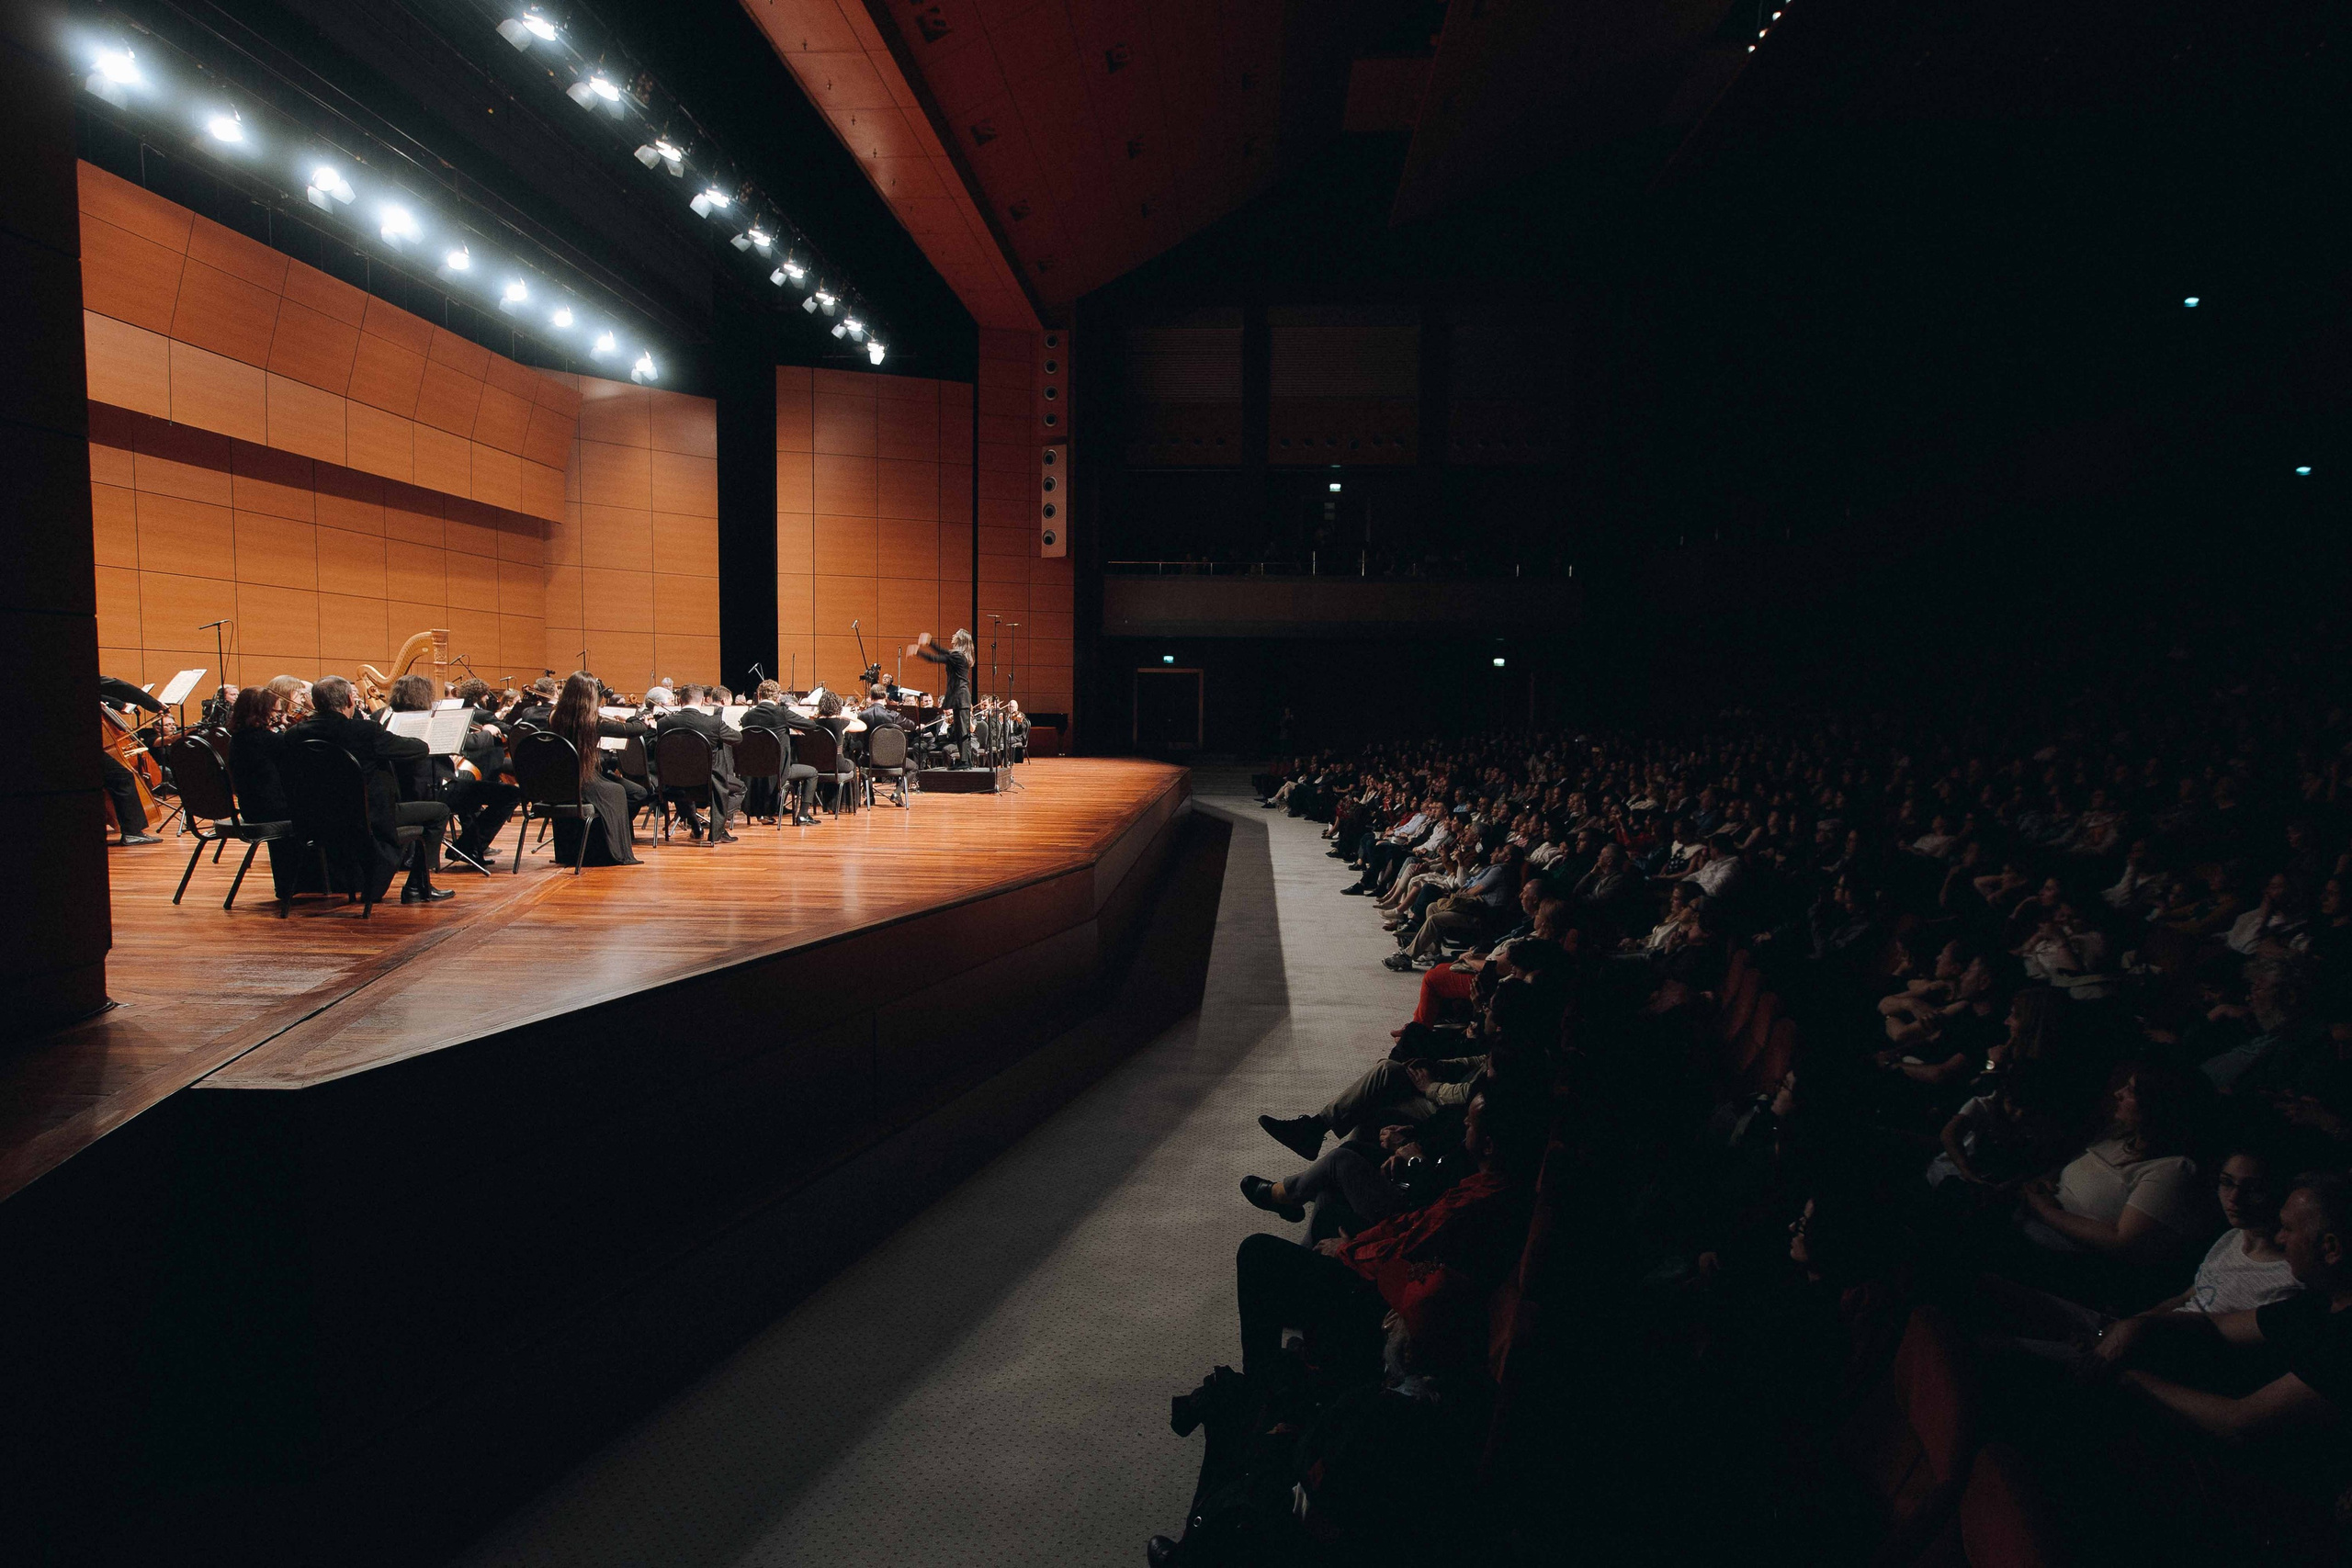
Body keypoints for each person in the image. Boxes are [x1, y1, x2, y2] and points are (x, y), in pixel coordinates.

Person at [1232, 1089, 1543, 1379]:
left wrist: (1346, 1250)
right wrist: (1359, 1241)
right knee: (1330, 1209)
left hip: (1381, 1292)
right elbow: (1412, 1225)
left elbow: (1406, 1250)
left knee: (1255, 1250)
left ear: (1488, 1144)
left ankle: (1258, 1381)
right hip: (1393, 1261)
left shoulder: (1479, 1202)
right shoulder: (1489, 1181)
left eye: (1471, 1123)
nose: (1464, 1122)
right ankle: (1306, 1328)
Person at [2092, 1171, 2352, 1447]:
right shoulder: (2319, 1302)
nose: (2279, 1238)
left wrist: (2129, 1378)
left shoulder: (2344, 1340)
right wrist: (2135, 1326)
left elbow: (2240, 1424)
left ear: (2331, 1248)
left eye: (2288, 1228)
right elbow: (2220, 1325)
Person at [293, 675, 452, 904]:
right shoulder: (363, 732)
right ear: (350, 699)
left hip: (316, 819)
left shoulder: (296, 734)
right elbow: (417, 749)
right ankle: (417, 886)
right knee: (439, 811)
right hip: (367, 817)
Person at [548, 672, 644, 865]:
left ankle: (602, 836)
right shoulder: (593, 722)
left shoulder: (555, 717)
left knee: (631, 792)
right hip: (585, 779)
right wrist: (634, 717)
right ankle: (607, 845)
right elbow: (637, 729)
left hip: (563, 780)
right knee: (619, 791)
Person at [654, 684, 744, 842]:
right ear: (703, 700)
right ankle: (717, 831)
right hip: (708, 783)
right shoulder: (712, 723)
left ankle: (696, 827)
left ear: (680, 700)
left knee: (684, 779)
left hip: (674, 783)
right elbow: (737, 738)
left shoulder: (663, 724)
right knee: (736, 782)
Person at [908, 629, 976, 764]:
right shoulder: (958, 655)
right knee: (960, 730)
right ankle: (965, 761)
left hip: (960, 697)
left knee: (962, 730)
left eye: (955, 634)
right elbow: (944, 652)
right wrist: (930, 643)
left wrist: (918, 652)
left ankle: (965, 761)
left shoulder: (958, 657)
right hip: (958, 696)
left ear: (960, 639)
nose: (952, 635)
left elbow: (936, 658)